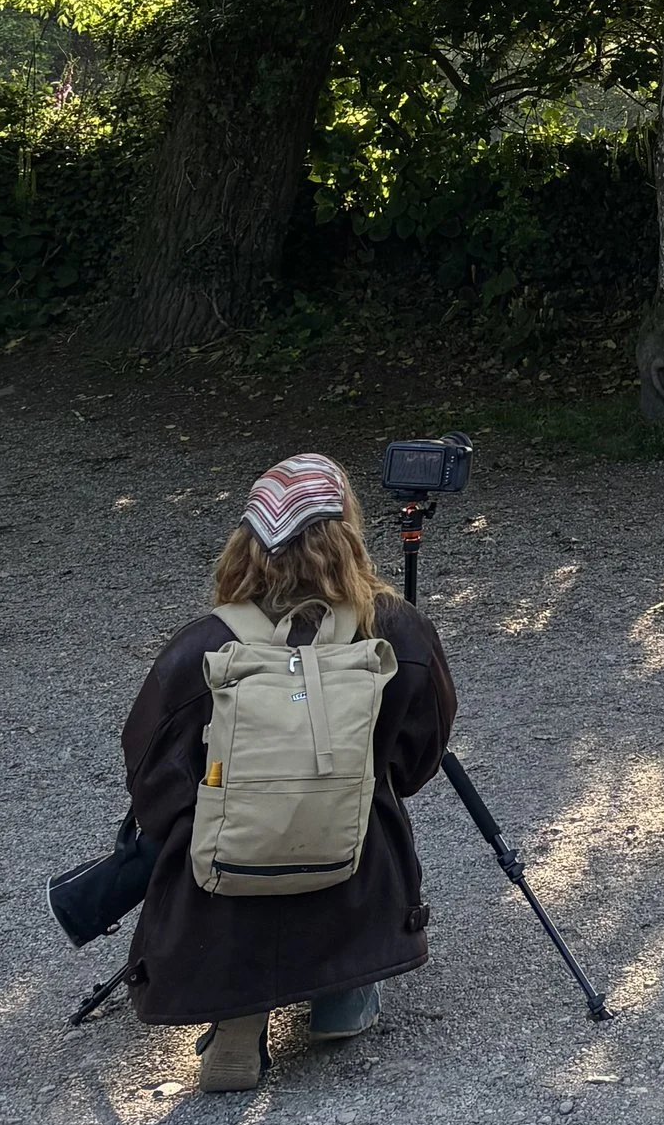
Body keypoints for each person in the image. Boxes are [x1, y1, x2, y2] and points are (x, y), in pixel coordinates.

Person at [118, 452, 458, 1091]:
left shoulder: (202, 647)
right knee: (369, 810)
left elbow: (153, 784)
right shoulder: (399, 633)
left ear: (247, 542)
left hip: (226, 885)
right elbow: (416, 762)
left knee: (212, 837)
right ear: (346, 533)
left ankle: (240, 1012)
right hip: (352, 871)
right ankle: (342, 996)